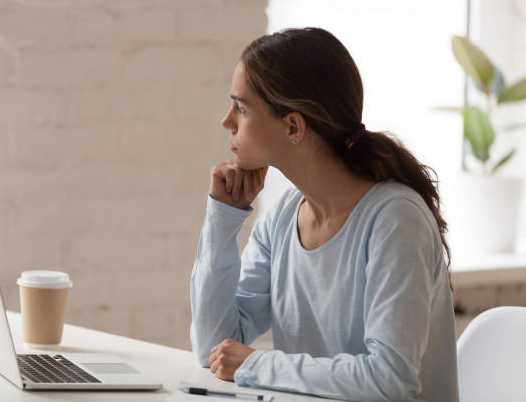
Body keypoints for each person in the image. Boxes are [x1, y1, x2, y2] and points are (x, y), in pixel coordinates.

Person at [189, 27, 459, 402]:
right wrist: (223, 219)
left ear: (293, 126)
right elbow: (213, 346)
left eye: (242, 107)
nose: (227, 121)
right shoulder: (283, 217)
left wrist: (255, 364)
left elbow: (390, 379)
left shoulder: (396, 220)